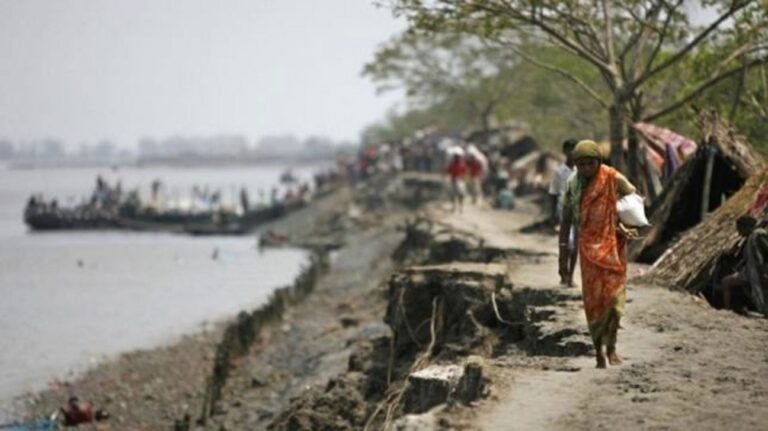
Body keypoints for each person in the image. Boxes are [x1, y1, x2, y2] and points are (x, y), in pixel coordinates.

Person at [559, 140, 636, 369]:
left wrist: (624, 221)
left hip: (613, 245)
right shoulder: (573, 186)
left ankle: (612, 347)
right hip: (588, 250)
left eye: (589, 163)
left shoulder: (612, 177)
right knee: (594, 303)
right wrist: (562, 253)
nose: (585, 169)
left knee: (614, 300)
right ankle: (598, 352)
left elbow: (633, 198)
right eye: (580, 164)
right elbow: (566, 220)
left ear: (598, 161)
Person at [718, 215, 768, 316]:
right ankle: (728, 311)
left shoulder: (758, 235)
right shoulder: (750, 239)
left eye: (740, 229)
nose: (739, 233)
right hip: (751, 271)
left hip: (760, 271)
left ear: (746, 227)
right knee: (726, 282)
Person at [550, 139, 578, 286]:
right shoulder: (559, 171)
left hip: (578, 210)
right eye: (569, 149)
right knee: (565, 243)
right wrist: (553, 215)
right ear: (564, 151)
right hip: (563, 209)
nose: (572, 152)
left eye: (575, 149)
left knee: (576, 246)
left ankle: (571, 275)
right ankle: (563, 272)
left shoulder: (581, 170)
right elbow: (553, 193)